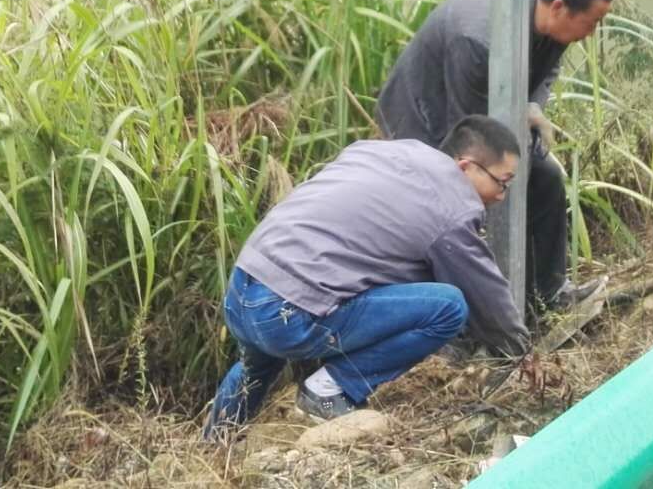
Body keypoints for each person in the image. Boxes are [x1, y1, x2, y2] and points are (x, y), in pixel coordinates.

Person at [202, 116, 530, 437]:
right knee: (449, 307)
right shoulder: (455, 206)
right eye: (501, 182)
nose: (502, 195)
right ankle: (328, 388)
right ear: (465, 166)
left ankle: (213, 446)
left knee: (255, 368)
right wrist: (521, 352)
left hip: (245, 287)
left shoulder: (382, 152)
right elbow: (485, 296)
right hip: (287, 313)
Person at [374, 0, 612, 313]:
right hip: (425, 117)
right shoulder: (477, 38)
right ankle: (458, 323)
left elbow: (550, 67)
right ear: (560, 7)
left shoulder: (549, 8)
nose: (592, 32)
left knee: (544, 179)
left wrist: (532, 104)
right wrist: (501, 171)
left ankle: (549, 293)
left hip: (492, 107)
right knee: (449, 210)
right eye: (591, 22)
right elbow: (468, 131)